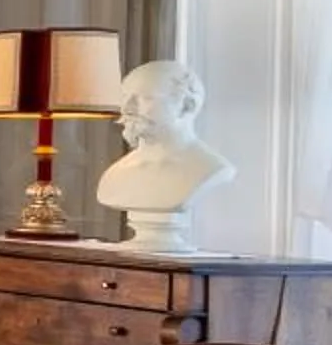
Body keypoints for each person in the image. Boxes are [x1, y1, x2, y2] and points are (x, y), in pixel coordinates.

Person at [96, 59, 234, 251]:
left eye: (146, 98)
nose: (127, 108)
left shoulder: (210, 169)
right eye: (126, 97)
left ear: (187, 105)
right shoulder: (116, 174)